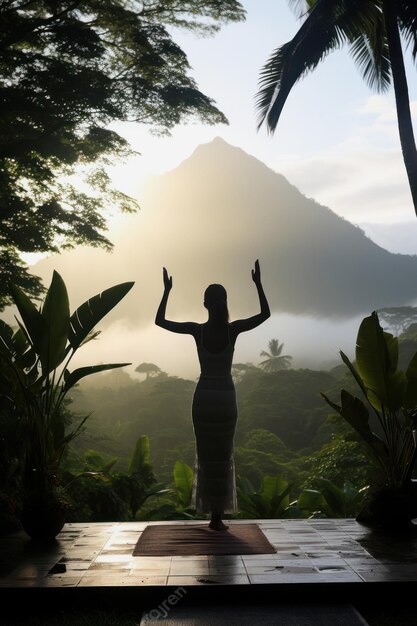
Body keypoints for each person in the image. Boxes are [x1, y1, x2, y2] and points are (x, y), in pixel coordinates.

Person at [155, 260, 270, 530]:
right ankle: (218, 516)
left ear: (205, 304)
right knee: (224, 454)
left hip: (204, 396)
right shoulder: (233, 330)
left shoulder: (198, 330)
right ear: (225, 302)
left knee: (206, 455)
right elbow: (264, 315)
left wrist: (167, 290)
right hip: (226, 397)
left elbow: (160, 321)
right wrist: (258, 284)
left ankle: (212, 516)